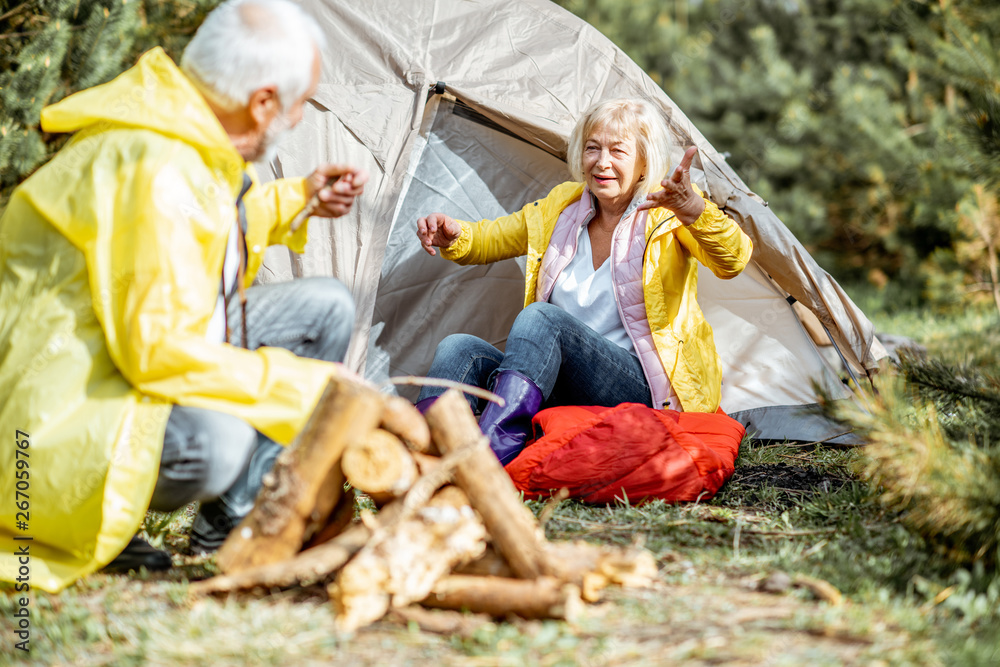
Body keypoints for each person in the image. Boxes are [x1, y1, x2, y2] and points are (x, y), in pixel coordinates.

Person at [0, 0, 367, 591]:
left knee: (326, 306)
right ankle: (93, 520)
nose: (300, 119)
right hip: (58, 403)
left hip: (112, 352)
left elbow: (201, 228)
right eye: (302, 103)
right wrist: (307, 390)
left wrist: (294, 198)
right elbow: (158, 349)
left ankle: (227, 523)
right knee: (218, 442)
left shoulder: (178, 134)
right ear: (264, 102)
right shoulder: (155, 166)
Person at [415, 99, 753, 465]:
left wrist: (693, 211)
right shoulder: (563, 206)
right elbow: (495, 237)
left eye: (617, 151)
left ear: (643, 162)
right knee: (459, 348)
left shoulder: (670, 211)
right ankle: (423, 456)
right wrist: (453, 236)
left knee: (541, 318)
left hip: (639, 386)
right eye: (593, 148)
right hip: (563, 378)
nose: (602, 162)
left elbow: (733, 260)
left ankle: (492, 458)